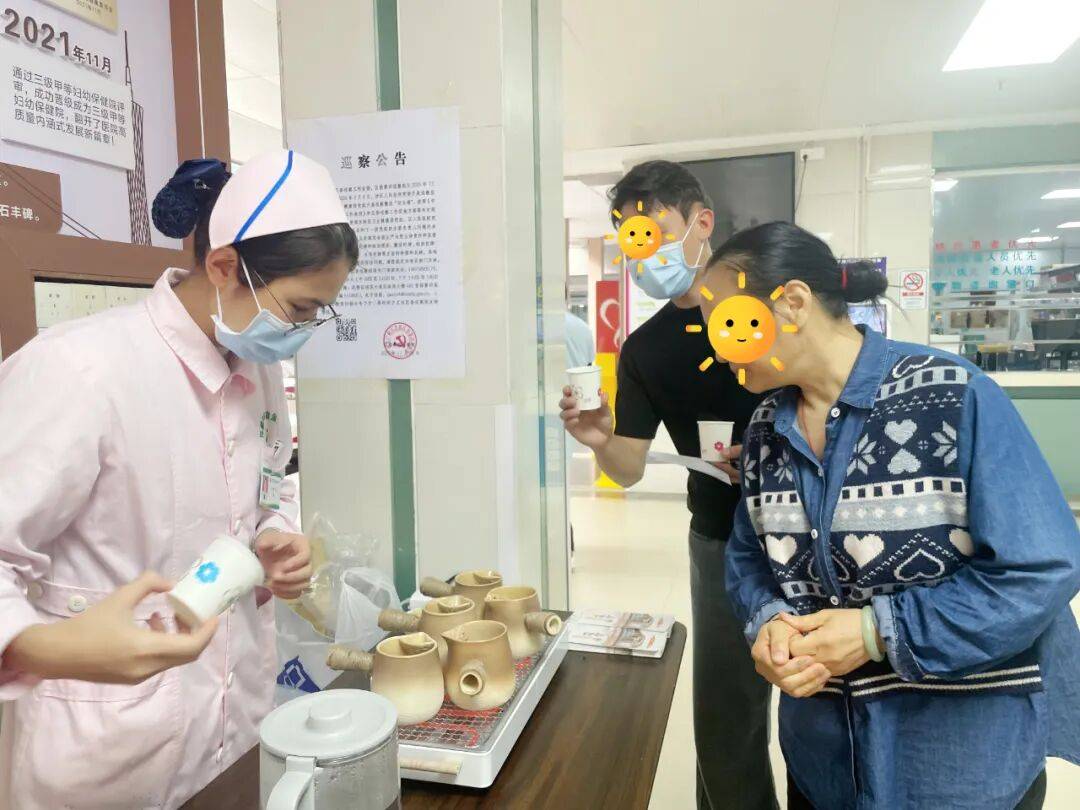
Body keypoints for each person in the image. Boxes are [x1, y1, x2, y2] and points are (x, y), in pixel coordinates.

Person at [0, 149, 358, 809]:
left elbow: (268, 486)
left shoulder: (256, 370)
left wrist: (274, 536)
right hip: (104, 749)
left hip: (231, 724)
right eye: (300, 308)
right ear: (223, 267)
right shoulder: (80, 371)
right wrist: (49, 649)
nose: (304, 331)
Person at [701, 222, 1080, 809]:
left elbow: (1041, 569)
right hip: (825, 761)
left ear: (792, 302)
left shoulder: (954, 396)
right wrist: (769, 621)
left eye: (727, 325)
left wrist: (878, 632)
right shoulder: (764, 430)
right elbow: (749, 559)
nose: (717, 350)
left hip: (956, 767)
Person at [560, 161, 773, 810]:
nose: (643, 252)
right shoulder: (646, 349)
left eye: (653, 232)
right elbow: (627, 466)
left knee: (824, 711)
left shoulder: (767, 312)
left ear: (701, 223)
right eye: (631, 238)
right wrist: (599, 439)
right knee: (726, 717)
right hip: (720, 541)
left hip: (816, 535)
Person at [564, 309, 596, 558]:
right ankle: (567, 544)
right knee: (562, 488)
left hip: (534, 417)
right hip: (570, 419)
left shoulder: (529, 324)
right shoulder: (581, 328)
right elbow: (588, 369)